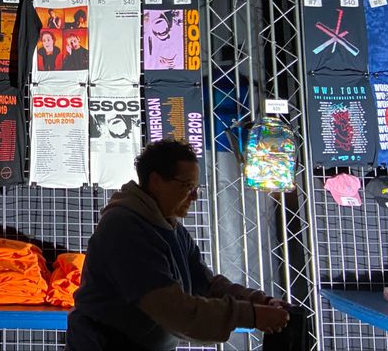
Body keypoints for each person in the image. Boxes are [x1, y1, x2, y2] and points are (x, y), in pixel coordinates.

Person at [66, 139, 291, 350]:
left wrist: (260, 301)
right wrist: (250, 315)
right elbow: (174, 311)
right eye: (187, 186)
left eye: (196, 188)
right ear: (156, 182)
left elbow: (207, 284)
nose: (194, 196)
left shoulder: (170, 227)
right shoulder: (124, 228)